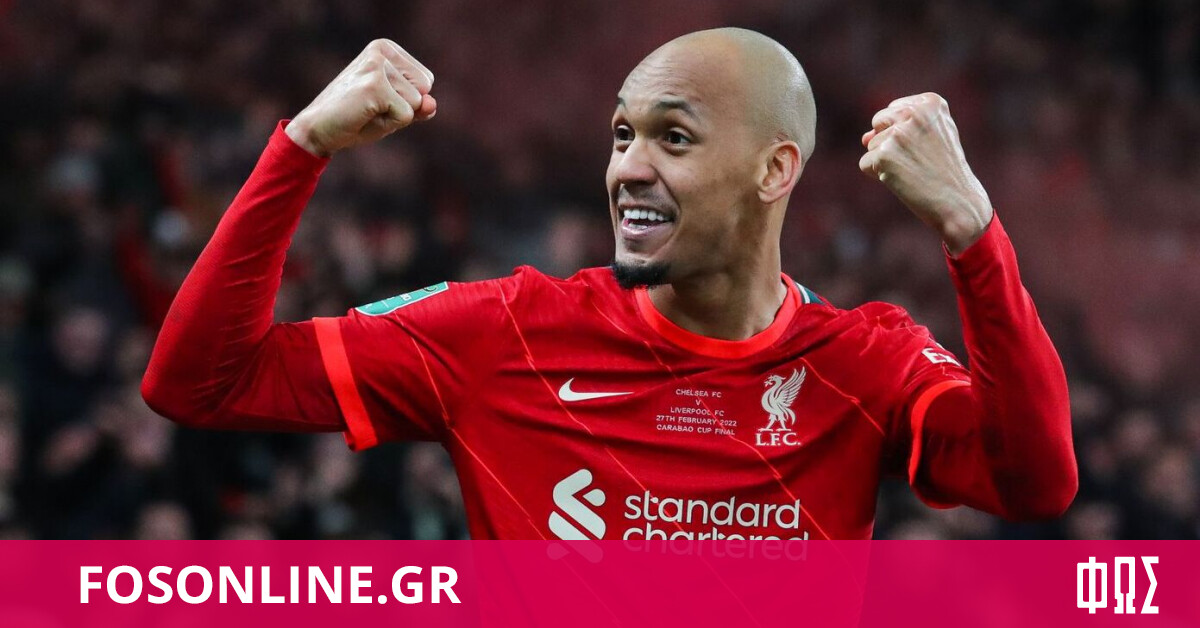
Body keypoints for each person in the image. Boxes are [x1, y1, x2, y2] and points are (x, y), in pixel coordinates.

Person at [142, 28, 1077, 540]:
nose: (629, 167)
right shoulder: (503, 333)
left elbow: (1034, 483)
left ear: (774, 170)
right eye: (622, 134)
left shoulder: (865, 365)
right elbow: (200, 384)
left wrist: (973, 234)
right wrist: (303, 146)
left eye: (673, 137)